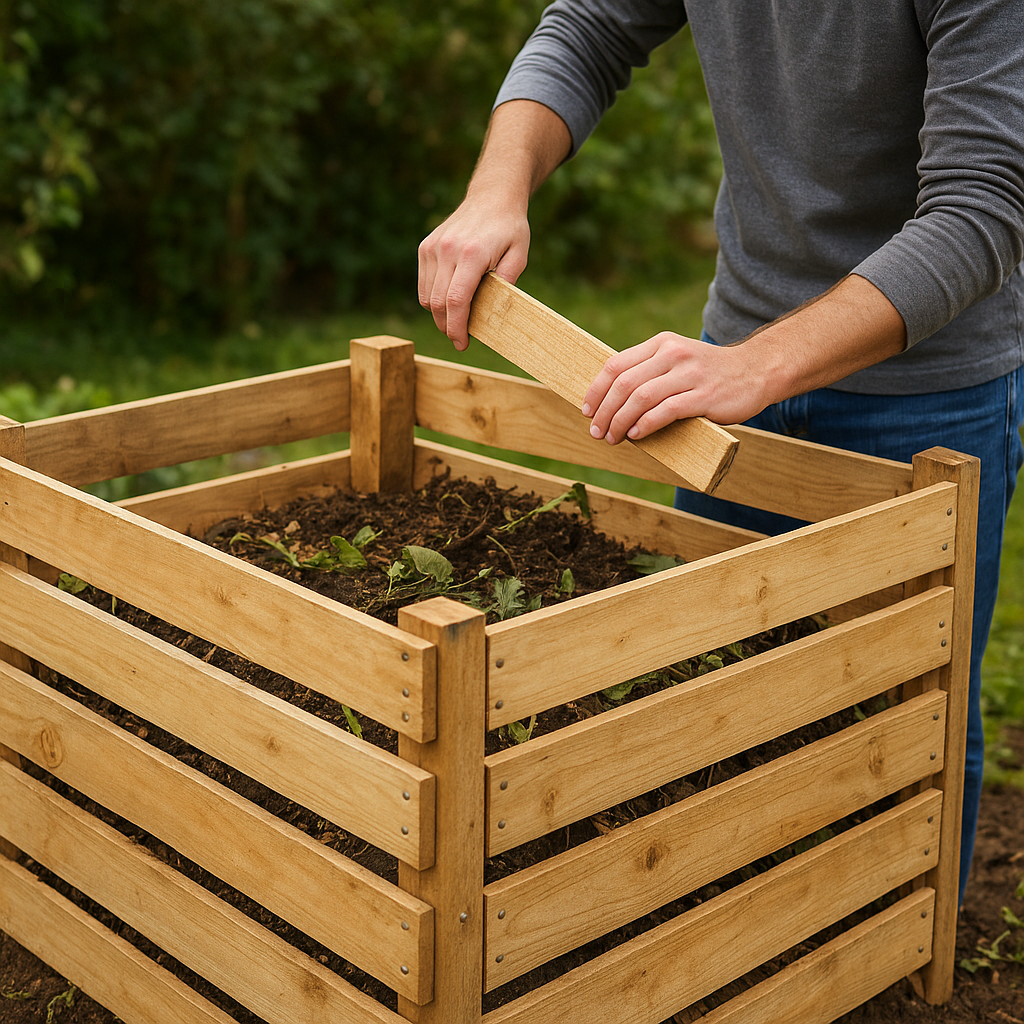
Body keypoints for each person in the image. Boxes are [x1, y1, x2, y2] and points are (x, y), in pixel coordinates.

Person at [416, 0, 1024, 906]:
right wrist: (495, 190)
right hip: (732, 371)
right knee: (713, 689)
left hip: (926, 391)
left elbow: (982, 208)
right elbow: (588, 28)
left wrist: (760, 365)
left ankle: (890, 963)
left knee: (906, 708)